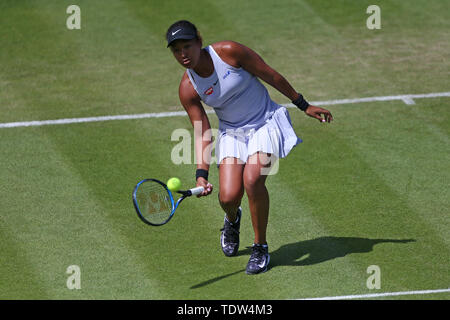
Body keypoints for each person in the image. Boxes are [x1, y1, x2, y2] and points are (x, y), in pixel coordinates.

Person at [166, 20, 333, 274]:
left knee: (253, 180)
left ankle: (260, 247)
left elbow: (271, 75)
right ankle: (232, 220)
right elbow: (202, 131)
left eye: (187, 46)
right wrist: (201, 176)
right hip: (232, 132)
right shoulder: (188, 87)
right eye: (176, 50)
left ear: (200, 42)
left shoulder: (230, 52)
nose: (183, 55)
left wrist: (303, 104)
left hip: (265, 122)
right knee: (228, 196)